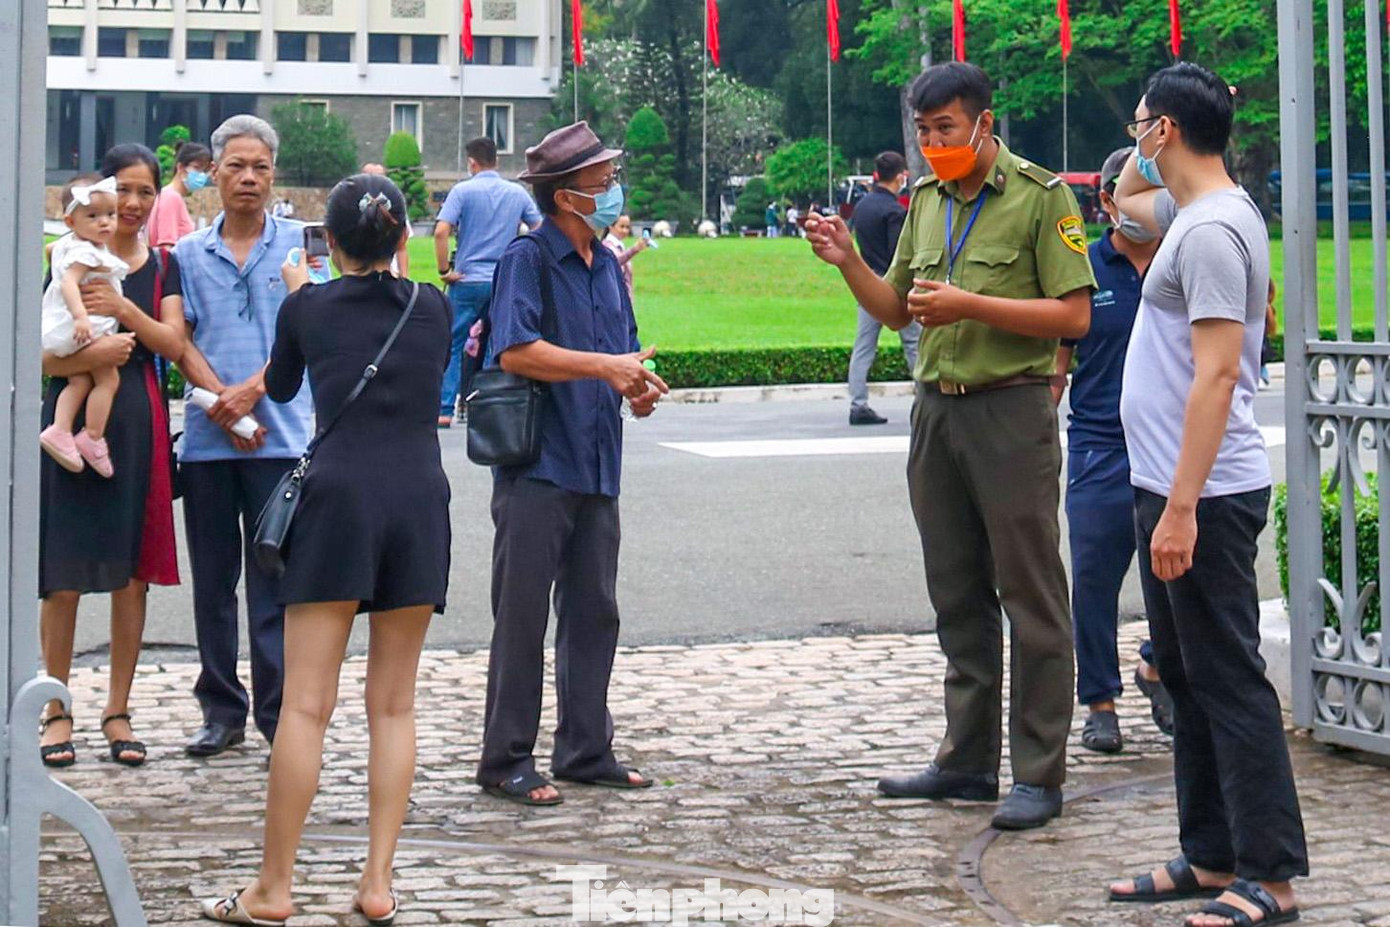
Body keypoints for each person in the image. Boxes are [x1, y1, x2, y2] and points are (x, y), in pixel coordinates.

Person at [804, 61, 1095, 831]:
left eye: (947, 130)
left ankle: (1038, 771)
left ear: (983, 124)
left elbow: (1073, 317)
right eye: (924, 133)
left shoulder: (1041, 197)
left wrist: (972, 304)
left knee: (1030, 594)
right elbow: (898, 307)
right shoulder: (926, 202)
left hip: (1011, 409)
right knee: (956, 593)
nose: (935, 146)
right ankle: (967, 762)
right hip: (937, 412)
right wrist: (848, 264)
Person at [200, 173, 451, 927]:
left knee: (306, 706)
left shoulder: (307, 304)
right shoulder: (432, 308)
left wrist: (299, 290)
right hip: (417, 499)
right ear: (403, 240)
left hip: (337, 500)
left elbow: (279, 388)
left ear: (329, 242)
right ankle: (378, 881)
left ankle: (274, 887)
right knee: (394, 704)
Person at [1107, 63, 1307, 926]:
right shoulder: (1191, 216)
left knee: (1228, 679)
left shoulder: (1215, 230)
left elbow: (1220, 374)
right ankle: (1211, 849)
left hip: (1206, 495)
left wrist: (1183, 505)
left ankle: (1271, 873)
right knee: (1185, 675)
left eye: (1143, 125)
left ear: (1167, 134)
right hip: (1166, 484)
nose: (1135, 139)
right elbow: (1122, 210)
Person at [476, 122, 668, 806]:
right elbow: (515, 351)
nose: (613, 190)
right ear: (566, 196)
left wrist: (636, 386)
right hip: (538, 463)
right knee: (522, 615)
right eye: (601, 181)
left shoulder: (611, 265)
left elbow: (626, 353)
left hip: (597, 460)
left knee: (595, 610)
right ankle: (505, 759)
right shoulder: (526, 260)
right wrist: (604, 367)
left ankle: (586, 747)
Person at [38, 144, 187, 769]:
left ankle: (118, 709)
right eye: (121, 190)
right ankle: (55, 708)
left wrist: (125, 310)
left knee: (131, 573)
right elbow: (39, 356)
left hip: (136, 422)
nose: (129, 204)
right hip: (69, 424)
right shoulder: (66, 260)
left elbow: (172, 343)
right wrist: (91, 359)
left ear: (156, 200)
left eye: (143, 193)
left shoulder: (159, 269)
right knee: (63, 575)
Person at [174, 115, 314, 758]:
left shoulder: (298, 245)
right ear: (215, 173)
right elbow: (178, 341)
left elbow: (313, 330)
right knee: (213, 582)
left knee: (273, 579)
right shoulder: (187, 254)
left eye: (260, 167)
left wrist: (253, 392)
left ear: (273, 172)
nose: (249, 178)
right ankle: (221, 708)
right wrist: (226, 406)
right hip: (207, 442)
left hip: (281, 441)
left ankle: (277, 710)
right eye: (236, 166)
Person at [1051, 148, 1171, 754]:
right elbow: (1057, 362)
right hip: (1101, 442)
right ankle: (1100, 700)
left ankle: (1156, 666)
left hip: (1171, 442)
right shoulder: (1084, 268)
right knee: (1094, 575)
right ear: (1105, 201)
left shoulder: (1181, 258)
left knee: (1176, 574)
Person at [433, 136, 542, 428]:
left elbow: (442, 231)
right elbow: (539, 227)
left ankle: (445, 408)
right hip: (504, 278)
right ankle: (489, 404)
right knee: (497, 342)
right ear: (497, 160)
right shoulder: (516, 193)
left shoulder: (462, 191)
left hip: (468, 279)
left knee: (454, 344)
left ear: (472, 163)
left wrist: (444, 269)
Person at [39, 176, 129, 480]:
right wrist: (80, 317)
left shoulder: (69, 244)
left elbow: (53, 253)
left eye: (110, 215)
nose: (104, 223)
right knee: (108, 380)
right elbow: (68, 282)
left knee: (79, 382)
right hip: (84, 329)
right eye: (93, 216)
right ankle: (91, 435)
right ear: (70, 220)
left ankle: (60, 429)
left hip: (64, 329)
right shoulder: (86, 252)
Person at [846, 151, 923, 426]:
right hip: (893, 285)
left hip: (867, 283)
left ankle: (858, 402)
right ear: (901, 175)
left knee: (864, 345)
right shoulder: (895, 211)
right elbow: (898, 253)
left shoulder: (862, 206)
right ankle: (925, 397)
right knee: (914, 343)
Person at [146, 141, 213, 248]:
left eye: (204, 170)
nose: (201, 175)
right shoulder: (171, 198)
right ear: (180, 167)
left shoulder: (166, 195)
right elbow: (166, 246)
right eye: (197, 168)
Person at [361, 162, 411, 276]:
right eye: (369, 176)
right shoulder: (352, 207)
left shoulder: (395, 208)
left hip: (390, 275)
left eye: (379, 177)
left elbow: (402, 247)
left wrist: (404, 279)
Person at [601, 214, 651, 303]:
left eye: (627, 227)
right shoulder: (607, 246)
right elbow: (616, 261)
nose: (625, 230)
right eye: (621, 226)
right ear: (610, 226)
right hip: (614, 299)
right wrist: (634, 249)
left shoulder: (620, 246)